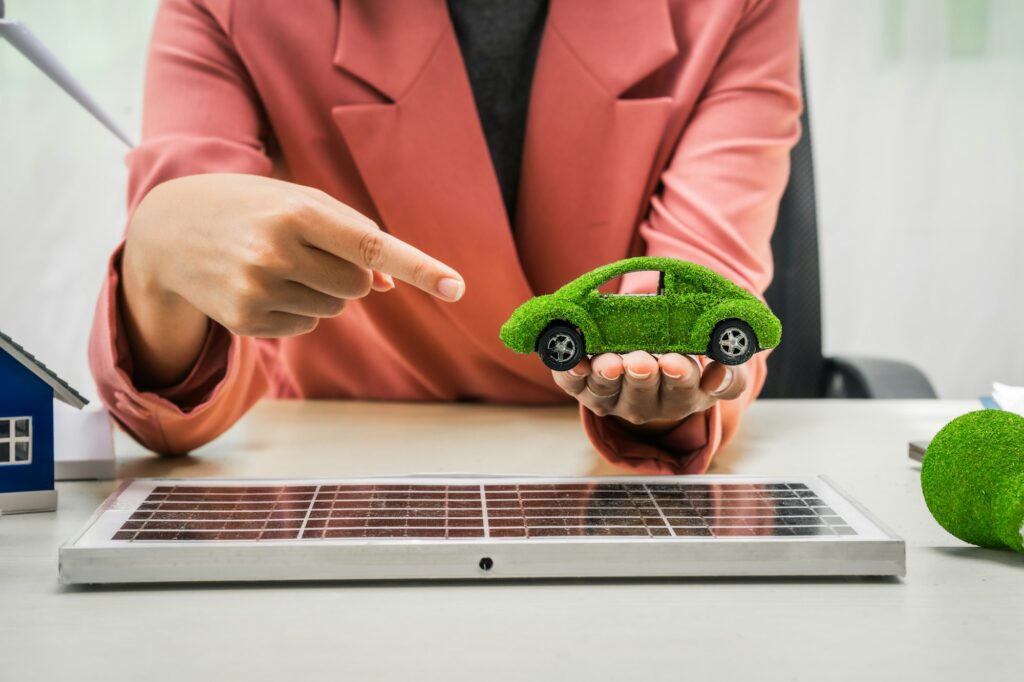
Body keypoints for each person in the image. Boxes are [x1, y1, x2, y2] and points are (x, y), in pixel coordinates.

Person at [89, 0, 802, 474]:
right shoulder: (225, 8)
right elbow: (176, 401)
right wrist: (157, 268)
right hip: (335, 471)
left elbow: (700, 273)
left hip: (590, 488)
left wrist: (669, 388)